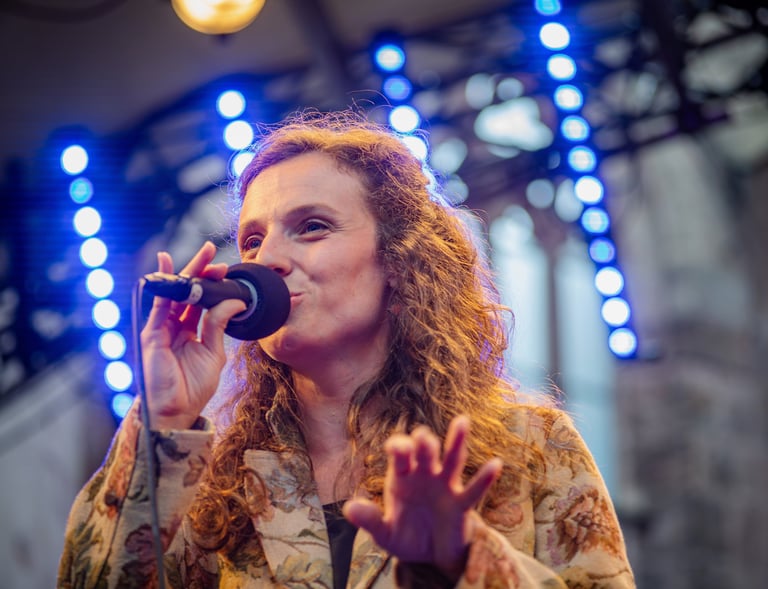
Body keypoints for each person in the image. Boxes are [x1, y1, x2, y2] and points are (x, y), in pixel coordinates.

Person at [58, 110, 635, 588]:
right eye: (253, 238)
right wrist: (163, 416)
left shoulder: (532, 448)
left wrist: (461, 565)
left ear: (400, 265)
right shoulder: (206, 478)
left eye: (311, 227)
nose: (266, 260)